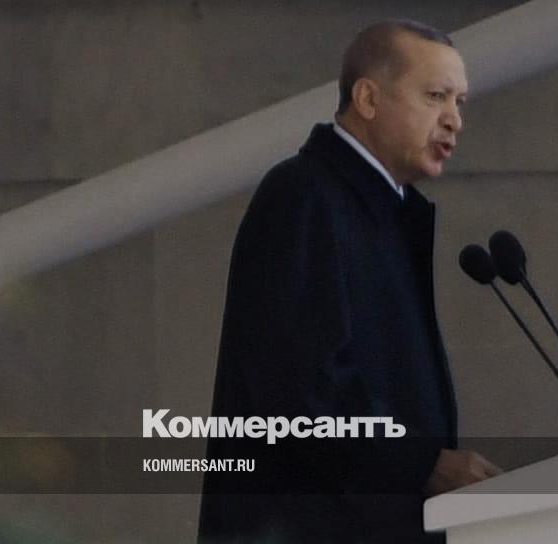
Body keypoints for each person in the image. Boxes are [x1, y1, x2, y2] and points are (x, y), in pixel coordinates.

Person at [198, 19, 501, 543]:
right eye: (435, 96)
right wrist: (423, 463)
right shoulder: (302, 197)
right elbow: (302, 390)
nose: (454, 119)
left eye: (460, 102)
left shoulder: (384, 210)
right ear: (367, 99)